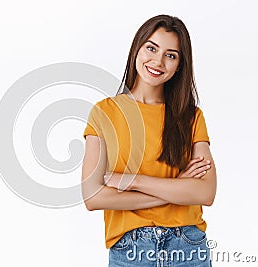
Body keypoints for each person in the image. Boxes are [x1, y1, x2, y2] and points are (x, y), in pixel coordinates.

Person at [81, 14, 216, 266]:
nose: (158, 61)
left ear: (180, 65)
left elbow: (206, 192)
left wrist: (131, 182)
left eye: (171, 55)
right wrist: (177, 189)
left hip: (187, 246)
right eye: (151, 48)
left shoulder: (191, 117)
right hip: (130, 250)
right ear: (137, 48)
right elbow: (93, 197)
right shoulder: (104, 113)